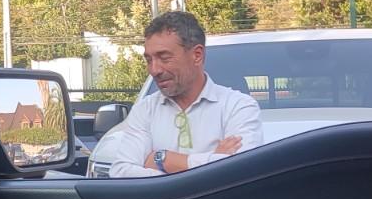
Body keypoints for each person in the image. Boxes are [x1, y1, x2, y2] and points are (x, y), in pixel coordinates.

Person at [106, 11, 262, 177]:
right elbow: (121, 172)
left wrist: (161, 159)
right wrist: (213, 162)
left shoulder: (238, 107)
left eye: (164, 58)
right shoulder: (145, 110)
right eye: (149, 60)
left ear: (197, 55)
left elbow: (241, 172)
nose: (154, 70)